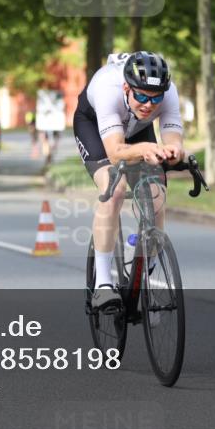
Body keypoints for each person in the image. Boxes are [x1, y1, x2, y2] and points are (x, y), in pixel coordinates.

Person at [73, 51, 185, 310]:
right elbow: (115, 152)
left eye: (155, 98)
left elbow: (173, 139)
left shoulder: (168, 94)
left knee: (157, 192)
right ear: (126, 87)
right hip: (94, 126)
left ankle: (149, 261)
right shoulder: (106, 89)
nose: (148, 104)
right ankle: (102, 284)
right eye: (142, 96)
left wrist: (175, 152)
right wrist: (145, 150)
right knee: (114, 189)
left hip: (136, 128)